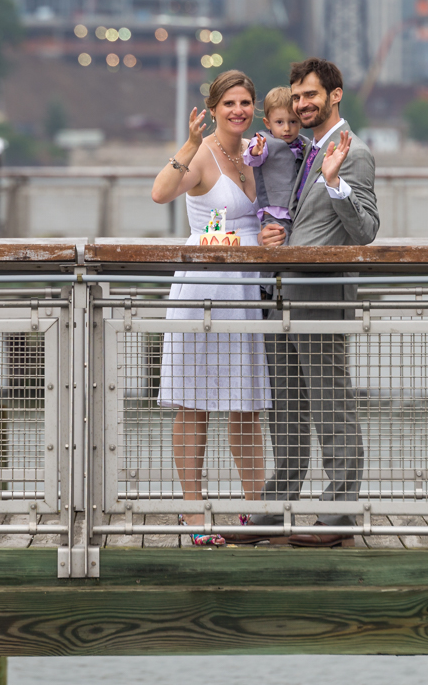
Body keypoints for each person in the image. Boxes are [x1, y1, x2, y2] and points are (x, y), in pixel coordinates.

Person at [224, 58, 379, 548]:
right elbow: (300, 221)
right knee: (286, 410)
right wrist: (277, 234)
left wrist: (335, 184)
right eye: (296, 97)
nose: (301, 104)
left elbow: (366, 231)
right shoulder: (303, 150)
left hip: (321, 299)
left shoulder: (353, 154)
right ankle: (278, 509)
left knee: (331, 406)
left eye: (310, 95)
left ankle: (339, 515)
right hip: (281, 293)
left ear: (335, 95)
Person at [149, 69, 271, 546]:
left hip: (248, 289)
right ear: (214, 108)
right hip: (205, 285)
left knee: (246, 406)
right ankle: (193, 510)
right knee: (193, 402)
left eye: (245, 103)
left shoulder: (257, 154)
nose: (238, 111)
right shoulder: (202, 155)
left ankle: (253, 512)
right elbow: (160, 192)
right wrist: (187, 145)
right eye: (229, 104)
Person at [242, 85, 305, 229]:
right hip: (275, 213)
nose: (287, 128)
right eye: (279, 122)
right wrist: (256, 151)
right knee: (278, 246)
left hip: (300, 213)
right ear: (267, 123)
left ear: (301, 122)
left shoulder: (304, 144)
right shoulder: (264, 142)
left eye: (293, 122)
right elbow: (252, 159)